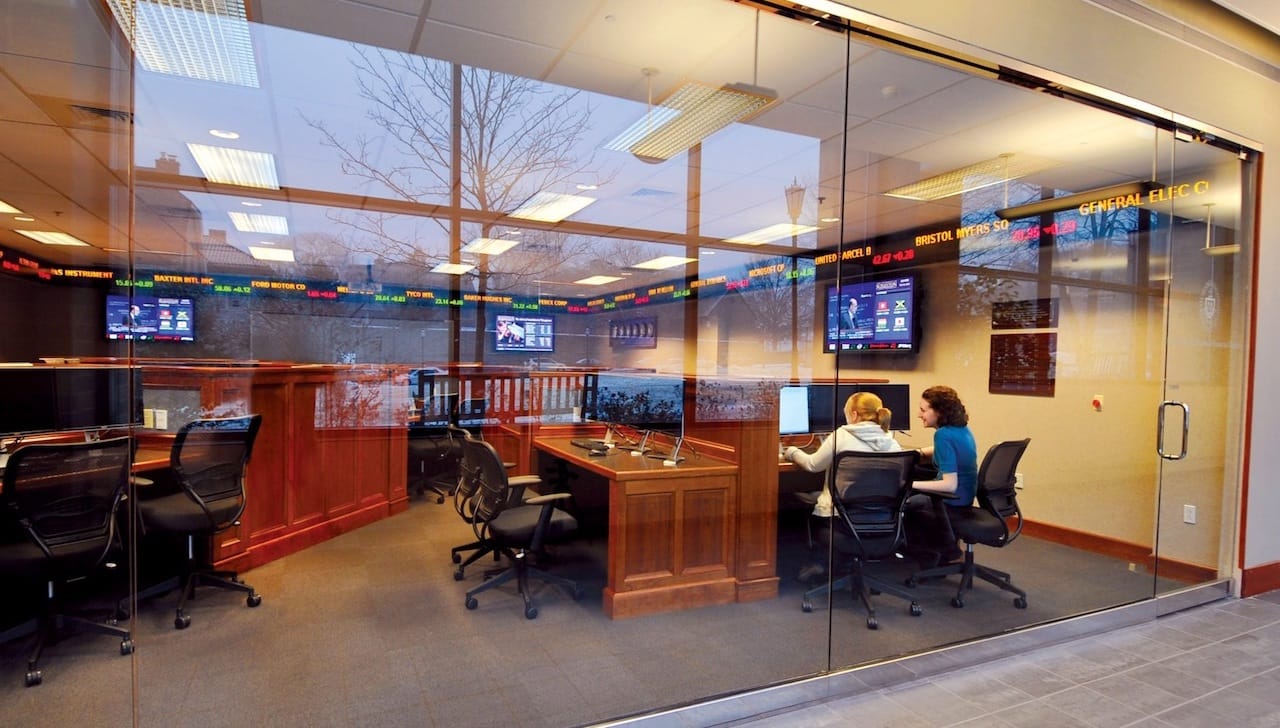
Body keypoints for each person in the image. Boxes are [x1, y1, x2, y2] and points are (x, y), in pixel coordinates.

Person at [783, 392, 902, 581]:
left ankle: (821, 564)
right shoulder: (892, 442)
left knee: (804, 503)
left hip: (843, 522)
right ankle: (840, 564)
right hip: (883, 521)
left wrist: (791, 452)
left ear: (854, 415)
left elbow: (813, 465)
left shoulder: (842, 436)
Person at [907, 385, 979, 567]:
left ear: (938, 412)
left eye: (923, 410)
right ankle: (945, 550)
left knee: (903, 503)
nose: (919, 414)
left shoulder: (943, 435)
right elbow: (950, 451)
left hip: (951, 499)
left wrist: (909, 484)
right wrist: (918, 453)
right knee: (916, 482)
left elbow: (949, 485)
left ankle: (938, 553)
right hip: (966, 496)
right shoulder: (961, 429)